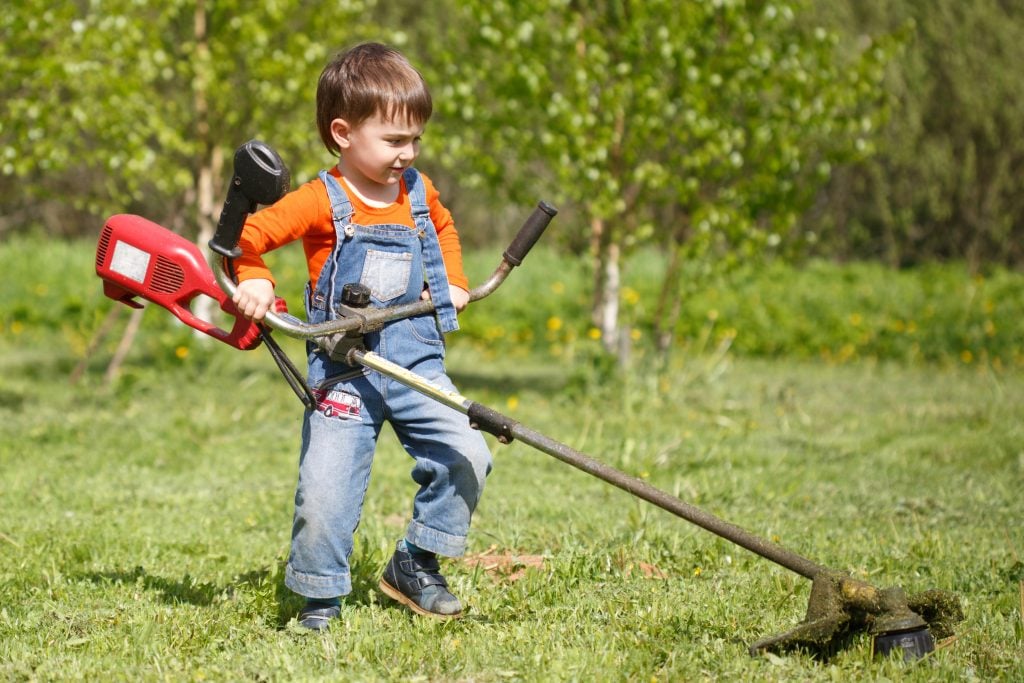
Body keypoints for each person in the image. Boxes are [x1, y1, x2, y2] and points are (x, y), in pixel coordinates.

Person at [231, 42, 492, 630]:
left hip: (415, 364)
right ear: (343, 133)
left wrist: (453, 280)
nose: (409, 153)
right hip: (345, 368)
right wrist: (253, 282)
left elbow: (444, 233)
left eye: (416, 140)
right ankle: (320, 600)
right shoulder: (319, 200)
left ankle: (416, 561)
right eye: (395, 140)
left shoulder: (419, 194)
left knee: (468, 453)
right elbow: (247, 240)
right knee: (324, 491)